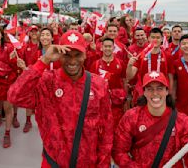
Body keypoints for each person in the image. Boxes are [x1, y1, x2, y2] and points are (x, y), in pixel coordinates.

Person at [8, 31, 113, 167]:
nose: (73, 61)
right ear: (59, 55)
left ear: (85, 54)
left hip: (88, 162)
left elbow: (107, 130)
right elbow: (14, 96)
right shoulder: (47, 81)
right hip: (54, 162)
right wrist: (44, 61)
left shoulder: (99, 85)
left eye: (78, 55)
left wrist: (103, 164)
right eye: (67, 55)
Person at [112, 71, 188, 167]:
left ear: (167, 91)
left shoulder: (182, 121)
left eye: (160, 88)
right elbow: (118, 152)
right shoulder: (131, 117)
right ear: (144, 92)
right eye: (150, 89)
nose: (155, 93)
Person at [127, 28, 173, 105]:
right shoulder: (141, 55)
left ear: (162, 39)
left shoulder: (167, 56)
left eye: (158, 38)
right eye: (153, 37)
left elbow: (170, 77)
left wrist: (170, 94)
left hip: (161, 93)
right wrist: (129, 65)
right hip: (144, 92)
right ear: (148, 38)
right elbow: (130, 76)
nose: (155, 40)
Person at [89, 37, 126, 128]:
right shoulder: (95, 64)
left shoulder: (120, 63)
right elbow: (91, 85)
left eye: (110, 46)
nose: (107, 48)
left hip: (116, 104)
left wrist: (125, 99)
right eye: (105, 46)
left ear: (113, 48)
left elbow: (124, 81)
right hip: (100, 104)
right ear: (101, 47)